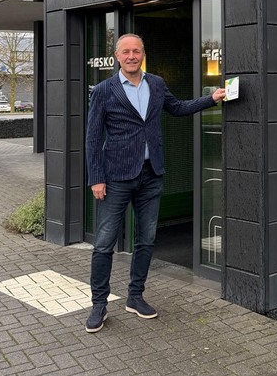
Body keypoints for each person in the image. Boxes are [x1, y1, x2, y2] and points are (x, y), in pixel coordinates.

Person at [84, 33, 225, 333]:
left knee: (146, 240)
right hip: (116, 177)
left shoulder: (157, 84)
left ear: (143, 54)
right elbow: (93, 138)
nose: (131, 56)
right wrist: (96, 178)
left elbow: (178, 108)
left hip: (151, 175)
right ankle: (99, 304)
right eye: (126, 52)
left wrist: (212, 98)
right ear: (117, 56)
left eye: (136, 51)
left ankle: (135, 297)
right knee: (104, 244)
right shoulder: (104, 90)